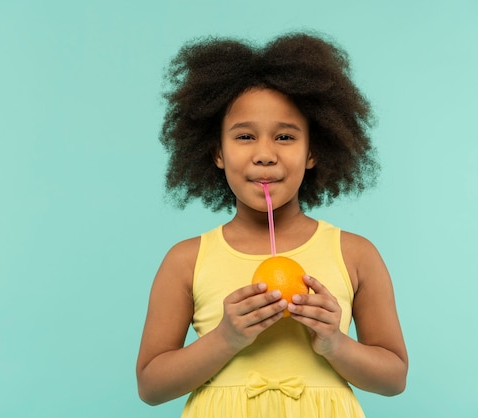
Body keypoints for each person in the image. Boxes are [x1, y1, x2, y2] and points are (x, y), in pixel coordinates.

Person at [136, 32, 408, 418]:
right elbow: (150, 386)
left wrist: (334, 342)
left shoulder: (356, 254)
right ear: (216, 151)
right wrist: (226, 338)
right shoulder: (185, 260)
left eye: (284, 136)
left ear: (314, 151)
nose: (265, 154)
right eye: (245, 136)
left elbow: (394, 378)